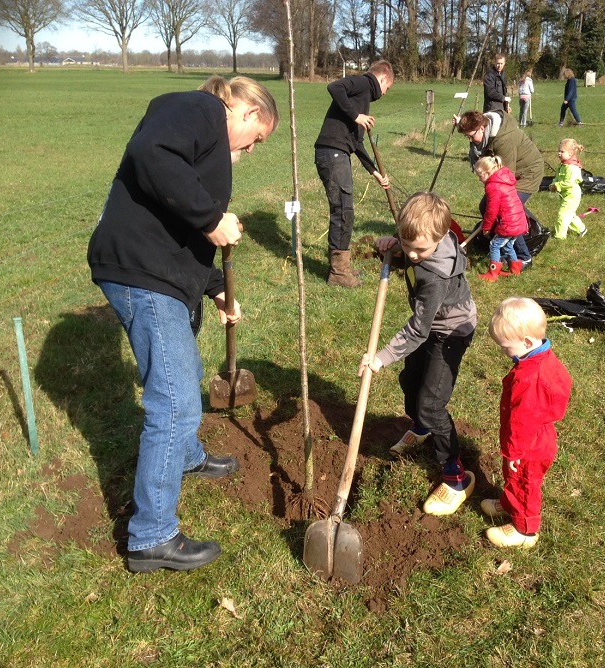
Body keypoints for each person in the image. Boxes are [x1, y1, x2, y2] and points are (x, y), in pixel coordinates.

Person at [87, 75, 279, 572]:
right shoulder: (199, 109)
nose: (252, 150)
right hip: (142, 273)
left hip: (159, 270)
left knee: (184, 370)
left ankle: (186, 455)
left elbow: (174, 225)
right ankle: (151, 536)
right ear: (248, 113)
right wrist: (212, 217)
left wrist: (213, 286)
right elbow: (152, 154)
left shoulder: (205, 129)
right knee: (173, 402)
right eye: (257, 140)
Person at [359, 192, 478, 517]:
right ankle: (423, 428)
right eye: (406, 241)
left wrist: (380, 357)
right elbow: (408, 254)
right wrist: (394, 246)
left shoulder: (434, 278)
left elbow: (418, 330)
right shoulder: (418, 249)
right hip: (433, 325)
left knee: (430, 402)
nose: (412, 254)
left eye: (419, 249)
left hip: (451, 332)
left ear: (439, 239)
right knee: (410, 378)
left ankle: (456, 476)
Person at [481, 297, 572, 548]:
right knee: (515, 481)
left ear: (528, 342)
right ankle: (510, 504)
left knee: (524, 482)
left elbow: (522, 421)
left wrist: (514, 453)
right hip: (537, 436)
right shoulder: (542, 358)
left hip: (528, 445)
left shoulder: (530, 378)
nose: (503, 351)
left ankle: (525, 529)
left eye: (505, 347)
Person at [314, 60, 394, 288]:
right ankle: (338, 273)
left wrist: (375, 173)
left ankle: (343, 267)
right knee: (342, 210)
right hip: (332, 153)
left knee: (345, 210)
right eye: (388, 88)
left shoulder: (363, 99)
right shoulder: (363, 83)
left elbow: (357, 143)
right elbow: (334, 87)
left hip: (338, 153)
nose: (385, 94)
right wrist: (356, 116)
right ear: (382, 80)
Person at [456, 109, 544, 269]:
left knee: (507, 213)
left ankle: (524, 257)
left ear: (482, 128)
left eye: (471, 135)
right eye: (466, 136)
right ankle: (502, 247)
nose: (469, 140)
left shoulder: (503, 139)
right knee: (485, 207)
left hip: (527, 172)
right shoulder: (487, 133)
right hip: (508, 174)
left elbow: (506, 173)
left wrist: (493, 195)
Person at [475, 155, 529, 280]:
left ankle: (492, 273)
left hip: (509, 223)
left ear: (488, 172)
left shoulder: (493, 186)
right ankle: (515, 270)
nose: (479, 179)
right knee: (508, 245)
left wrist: (486, 227)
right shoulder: (504, 179)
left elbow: (491, 210)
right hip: (518, 221)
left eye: (480, 175)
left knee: (494, 244)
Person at [548, 138, 588, 239]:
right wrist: (553, 184)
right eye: (558, 151)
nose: (559, 153)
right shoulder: (562, 165)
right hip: (565, 194)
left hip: (572, 195)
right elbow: (557, 177)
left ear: (570, 153)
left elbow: (569, 182)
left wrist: (557, 186)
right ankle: (582, 229)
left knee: (562, 215)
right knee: (570, 214)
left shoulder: (571, 167)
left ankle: (559, 237)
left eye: (562, 151)